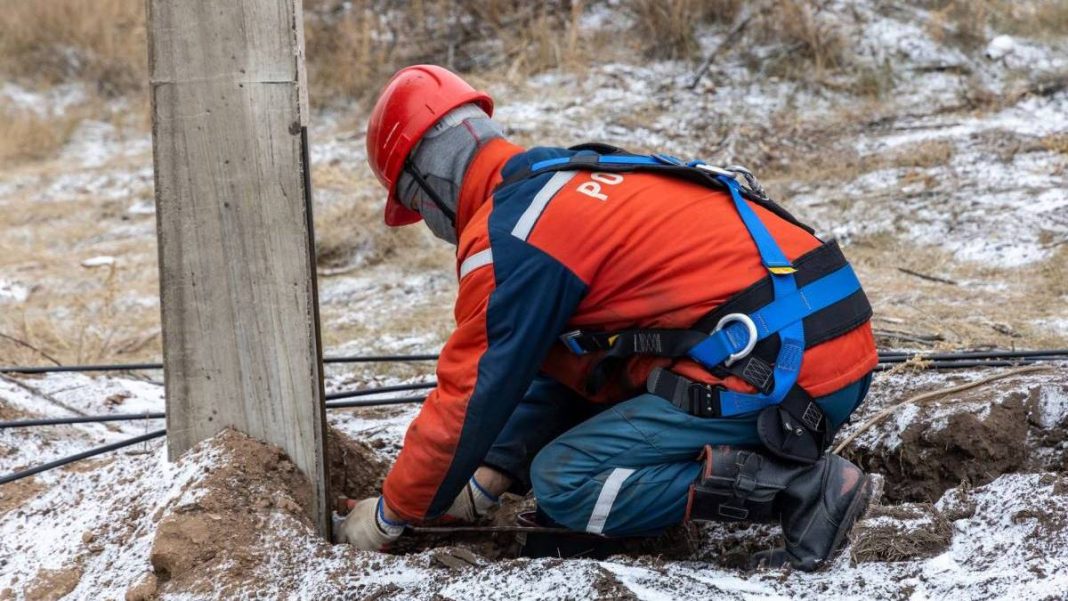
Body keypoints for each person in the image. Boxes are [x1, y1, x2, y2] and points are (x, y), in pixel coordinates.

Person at [339, 65, 878, 571]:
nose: (431, 225)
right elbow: (558, 362)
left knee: (564, 481)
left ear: (428, 184)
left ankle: (804, 490)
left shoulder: (510, 238)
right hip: (830, 341)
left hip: (784, 368)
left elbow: (470, 395)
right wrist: (490, 476)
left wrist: (391, 513)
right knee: (586, 407)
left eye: (416, 207)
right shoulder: (572, 176)